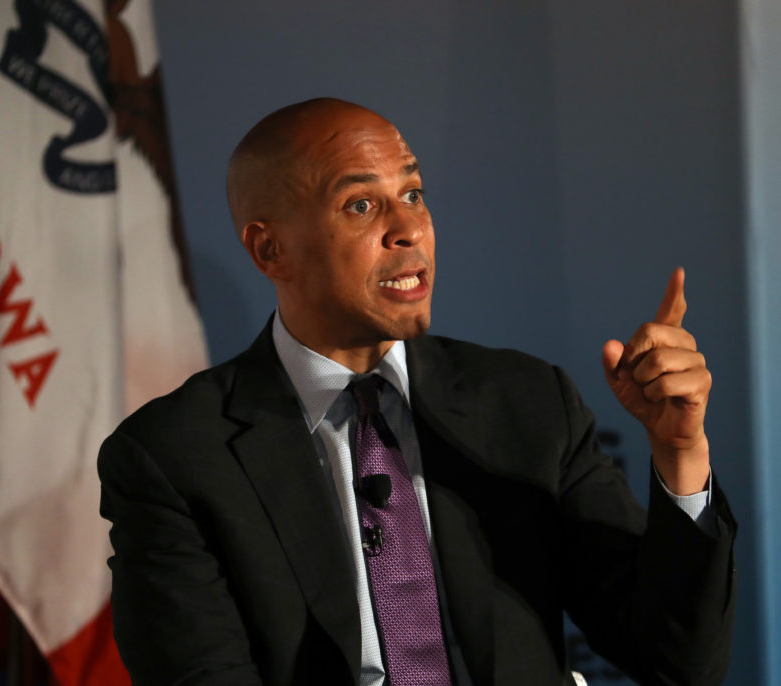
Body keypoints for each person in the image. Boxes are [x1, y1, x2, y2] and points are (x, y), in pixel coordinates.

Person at [98, 98, 736, 686]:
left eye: (414, 192)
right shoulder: (176, 457)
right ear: (271, 250)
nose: (409, 229)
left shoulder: (527, 402)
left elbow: (675, 662)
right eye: (361, 205)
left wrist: (680, 454)